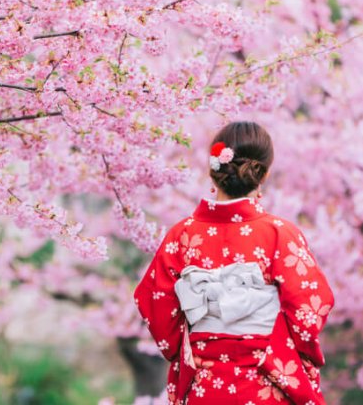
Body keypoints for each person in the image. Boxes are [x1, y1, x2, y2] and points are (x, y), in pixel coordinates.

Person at [134, 121, 335, 404]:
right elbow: (311, 307)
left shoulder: (181, 235)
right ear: (262, 174)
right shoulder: (279, 234)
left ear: (214, 172)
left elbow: (154, 305)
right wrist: (275, 352)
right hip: (266, 383)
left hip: (205, 386)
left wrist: (198, 349)